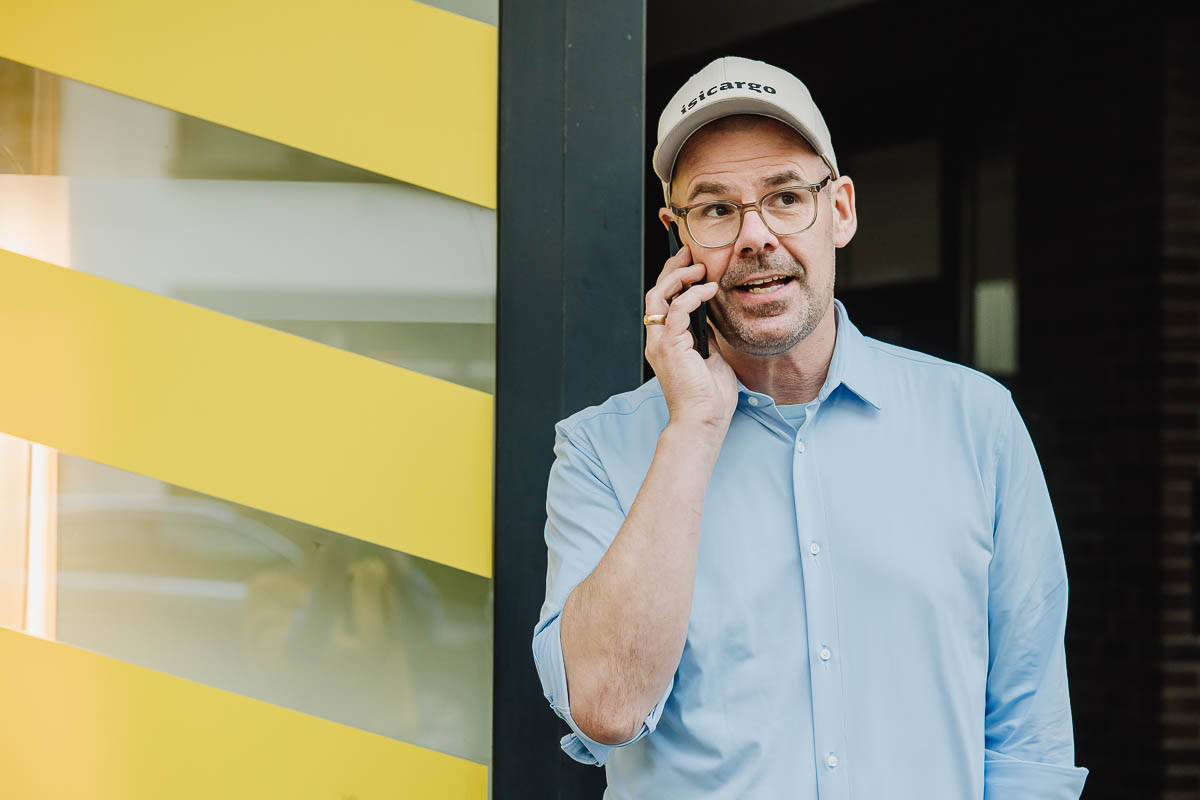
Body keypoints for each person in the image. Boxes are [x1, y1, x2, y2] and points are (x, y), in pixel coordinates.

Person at [531, 56, 1088, 799]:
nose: (756, 236)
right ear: (678, 239)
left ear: (842, 210)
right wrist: (693, 430)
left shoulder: (977, 422)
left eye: (786, 196)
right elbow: (606, 709)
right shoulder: (600, 450)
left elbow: (1029, 742)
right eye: (717, 209)